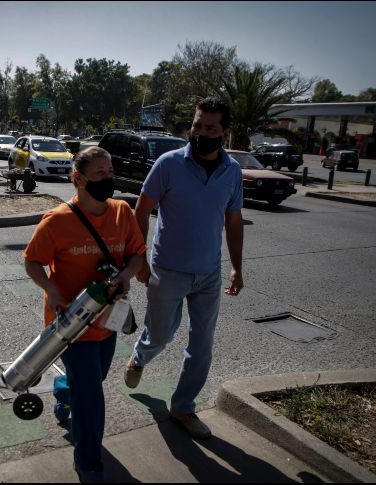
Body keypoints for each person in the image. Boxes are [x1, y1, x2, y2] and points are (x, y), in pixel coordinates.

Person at [124, 97, 244, 440]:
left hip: (209, 272)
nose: (201, 133)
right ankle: (140, 356)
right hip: (168, 269)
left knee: (202, 343)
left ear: (224, 132)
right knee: (161, 334)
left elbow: (233, 222)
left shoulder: (232, 171)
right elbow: (141, 210)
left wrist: (237, 267)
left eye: (210, 128)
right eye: (197, 126)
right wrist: (140, 259)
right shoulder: (168, 163)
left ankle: (183, 407)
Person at [24, 146, 145, 482]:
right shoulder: (56, 221)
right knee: (92, 395)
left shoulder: (122, 212)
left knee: (92, 380)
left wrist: (125, 276)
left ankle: (64, 396)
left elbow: (137, 255)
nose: (108, 179)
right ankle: (89, 462)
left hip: (107, 320)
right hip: (71, 325)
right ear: (77, 178)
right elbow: (32, 261)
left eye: (110, 172)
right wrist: (52, 291)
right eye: (99, 174)